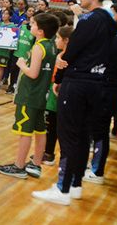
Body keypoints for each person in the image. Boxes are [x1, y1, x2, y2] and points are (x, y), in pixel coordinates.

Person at [32, 0, 117, 206]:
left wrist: (61, 67)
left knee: (70, 137)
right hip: (96, 83)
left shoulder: (91, 19)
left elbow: (73, 49)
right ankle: (75, 185)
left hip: (78, 83)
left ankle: (62, 188)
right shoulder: (110, 21)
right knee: (81, 137)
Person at [0, 12, 60, 179]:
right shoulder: (52, 45)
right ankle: (36, 164)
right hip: (41, 95)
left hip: (30, 95)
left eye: (32, 24)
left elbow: (32, 73)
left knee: (25, 131)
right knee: (40, 130)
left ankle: (19, 166)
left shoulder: (39, 47)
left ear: (40, 30)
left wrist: (22, 65)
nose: (30, 26)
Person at [84, 2, 117, 185]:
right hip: (103, 86)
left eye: (112, 13)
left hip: (109, 88)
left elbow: (104, 53)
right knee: (95, 128)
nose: (108, 16)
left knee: (100, 131)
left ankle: (97, 171)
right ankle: (91, 166)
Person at [43, 25, 73, 165]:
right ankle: (48, 153)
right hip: (53, 96)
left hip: (61, 97)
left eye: (59, 38)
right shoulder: (60, 55)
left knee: (60, 129)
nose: (56, 41)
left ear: (66, 40)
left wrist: (59, 86)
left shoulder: (68, 57)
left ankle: (64, 159)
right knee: (51, 126)